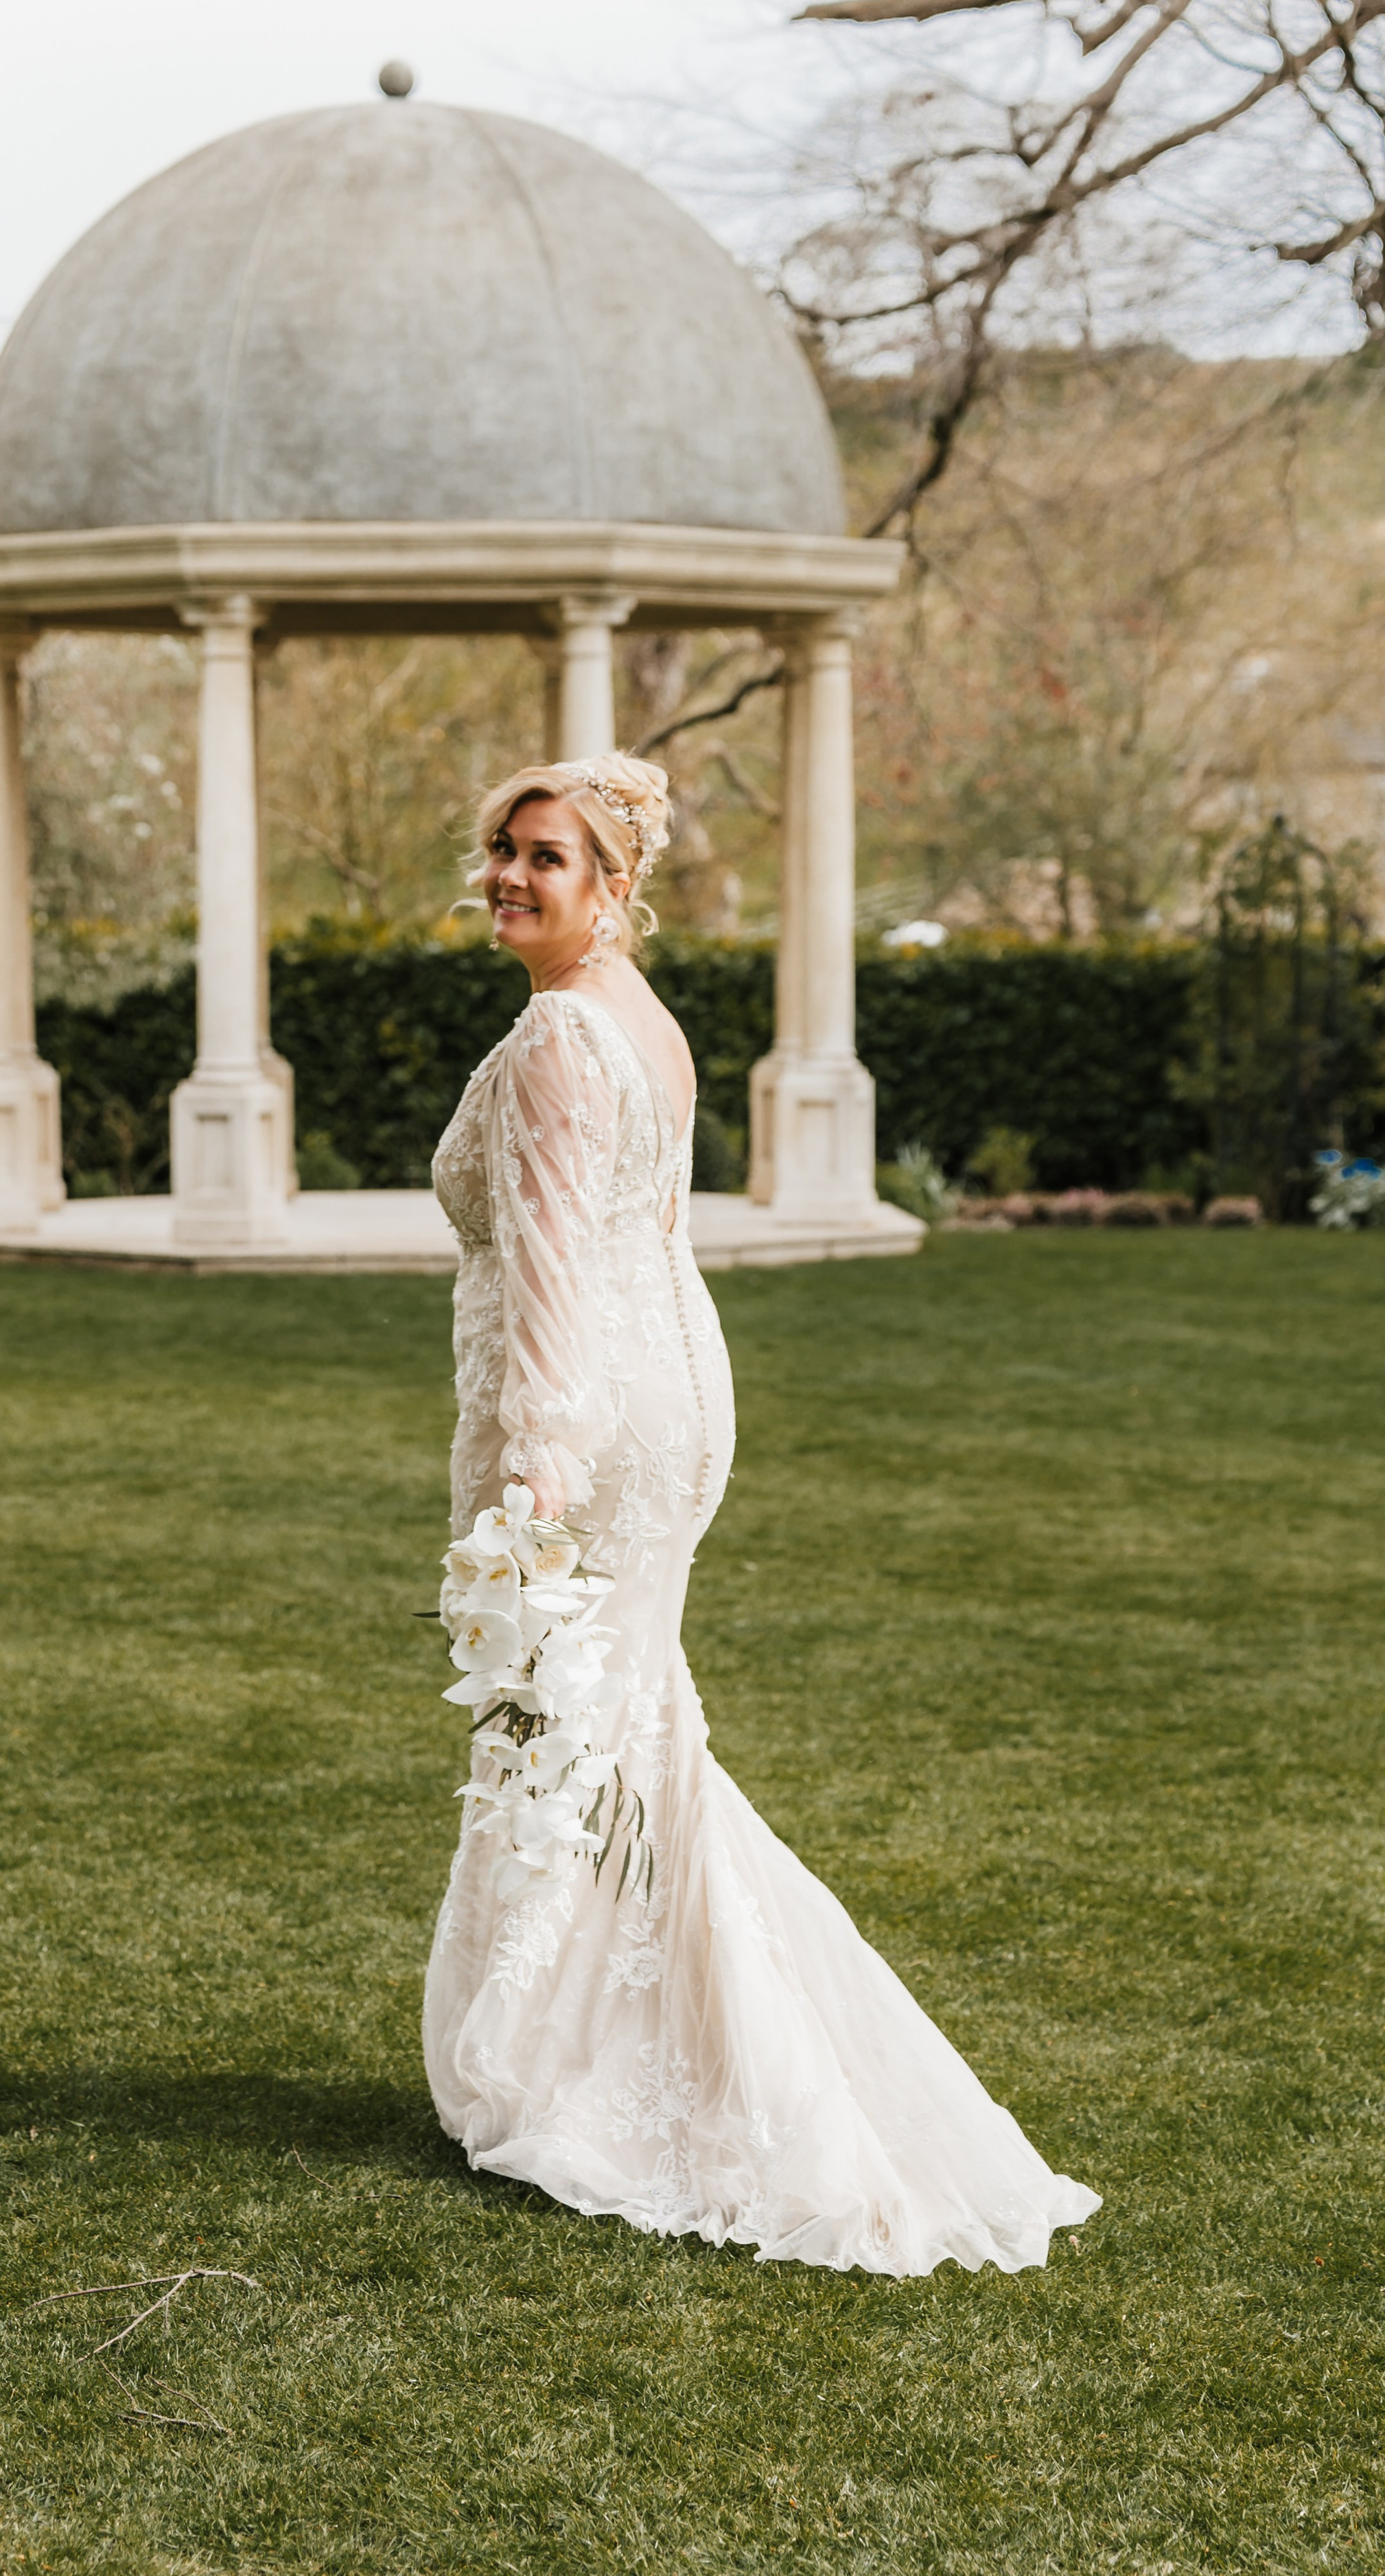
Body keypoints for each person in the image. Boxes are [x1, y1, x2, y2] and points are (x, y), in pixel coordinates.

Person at [423, 752, 1100, 2273]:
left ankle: (585, 2067)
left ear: (610, 888)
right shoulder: (637, 1026)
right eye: (502, 850)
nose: (511, 877)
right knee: (626, 1728)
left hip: (586, 1426)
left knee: (571, 1725)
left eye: (547, 858)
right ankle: (642, 2033)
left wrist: (530, 1484)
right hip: (668, 1400)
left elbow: (546, 1282)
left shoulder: (554, 1038)